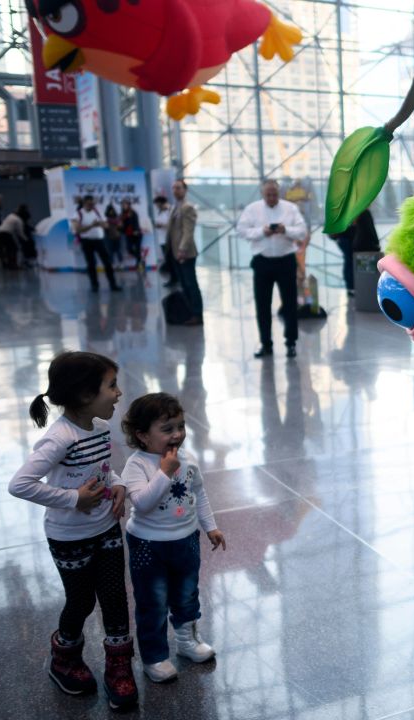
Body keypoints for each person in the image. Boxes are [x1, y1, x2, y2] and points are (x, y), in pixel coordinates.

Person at [7, 351, 138, 710]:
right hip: (69, 538)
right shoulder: (60, 438)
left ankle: (119, 666)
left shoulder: (98, 427)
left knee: (114, 597)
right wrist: (72, 498)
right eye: (111, 386)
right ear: (84, 395)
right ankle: (64, 656)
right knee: (81, 601)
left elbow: (103, 470)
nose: (119, 393)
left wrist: (120, 484)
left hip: (107, 529)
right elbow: (20, 484)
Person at [120, 392, 225, 682]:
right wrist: (165, 473)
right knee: (152, 601)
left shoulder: (188, 459)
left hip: (186, 539)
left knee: (187, 594)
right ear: (142, 435)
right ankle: (154, 657)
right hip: (148, 544)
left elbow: (199, 493)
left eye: (180, 426)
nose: (177, 434)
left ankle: (188, 641)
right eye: (167, 429)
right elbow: (142, 503)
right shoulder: (137, 465)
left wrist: (210, 526)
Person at [237, 179, 307, 358]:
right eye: (268, 195)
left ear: (279, 193)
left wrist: (285, 230)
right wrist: (262, 231)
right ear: (262, 194)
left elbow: (302, 231)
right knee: (262, 305)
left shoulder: (290, 208)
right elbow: (242, 231)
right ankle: (266, 344)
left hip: (286, 261)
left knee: (290, 304)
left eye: (274, 194)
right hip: (262, 262)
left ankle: (291, 343)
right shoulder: (252, 209)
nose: (271, 198)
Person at [167, 180, 203, 324]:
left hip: (185, 253)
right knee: (184, 283)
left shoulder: (187, 208)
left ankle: (197, 313)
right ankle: (189, 312)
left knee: (191, 284)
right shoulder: (175, 207)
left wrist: (182, 249)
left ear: (185, 190)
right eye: (174, 188)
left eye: (179, 188)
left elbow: (188, 231)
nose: (176, 190)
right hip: (175, 252)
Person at [75, 195, 121, 292]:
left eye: (93, 203)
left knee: (107, 262)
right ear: (84, 203)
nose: (91, 205)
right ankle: (94, 285)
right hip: (87, 241)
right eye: (89, 204)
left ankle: (113, 284)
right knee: (91, 264)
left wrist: (102, 224)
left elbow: (106, 225)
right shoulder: (79, 213)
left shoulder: (97, 211)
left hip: (99, 240)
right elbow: (78, 230)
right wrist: (91, 225)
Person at [328, 207, 379, 295]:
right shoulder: (356, 210)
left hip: (353, 240)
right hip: (348, 238)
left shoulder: (360, 211)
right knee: (350, 262)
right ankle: (352, 288)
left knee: (351, 262)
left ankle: (353, 288)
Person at [0, 205, 31, 270]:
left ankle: (6, 265)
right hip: (5, 233)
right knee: (14, 249)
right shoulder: (19, 220)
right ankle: (13, 265)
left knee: (4, 250)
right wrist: (26, 239)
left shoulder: (10, 215)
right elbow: (20, 233)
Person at [153, 196, 177, 286]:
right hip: (162, 239)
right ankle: (172, 278)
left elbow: (172, 225)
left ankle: (174, 279)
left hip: (169, 240)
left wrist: (162, 225)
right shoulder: (160, 212)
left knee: (171, 261)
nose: (156, 206)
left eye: (157, 204)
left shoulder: (170, 211)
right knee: (168, 260)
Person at [119, 199, 143, 270]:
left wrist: (136, 230)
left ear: (128, 205)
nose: (124, 206)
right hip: (128, 234)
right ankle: (140, 259)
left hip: (136, 233)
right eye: (122, 205)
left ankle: (138, 263)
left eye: (125, 204)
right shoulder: (122, 214)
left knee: (137, 248)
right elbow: (122, 224)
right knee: (129, 249)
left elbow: (136, 222)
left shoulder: (133, 212)